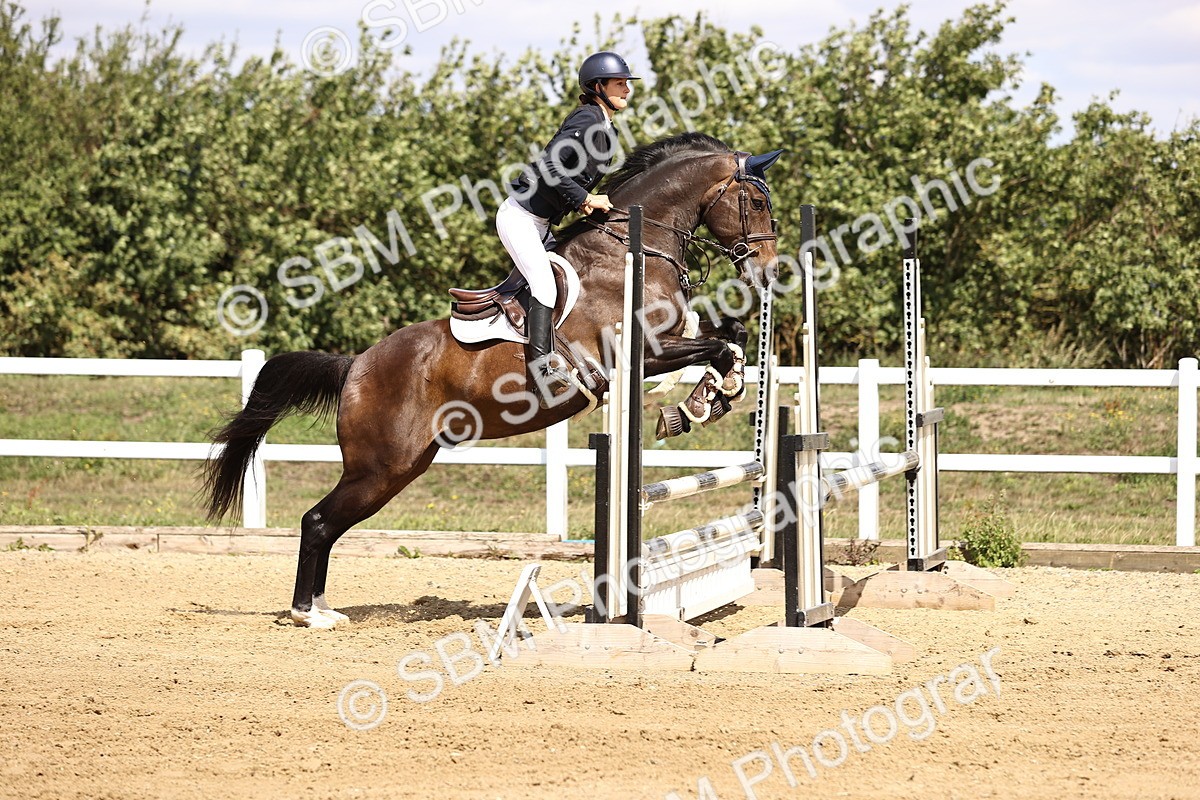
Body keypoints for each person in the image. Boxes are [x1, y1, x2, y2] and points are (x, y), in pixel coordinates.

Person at [498, 51, 638, 407]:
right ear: (598, 87)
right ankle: (542, 373)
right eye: (619, 83)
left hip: (541, 223)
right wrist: (584, 199)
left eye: (626, 83)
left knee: (576, 282)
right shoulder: (586, 118)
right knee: (544, 283)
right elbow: (550, 166)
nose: (626, 89)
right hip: (520, 218)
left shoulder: (608, 129)